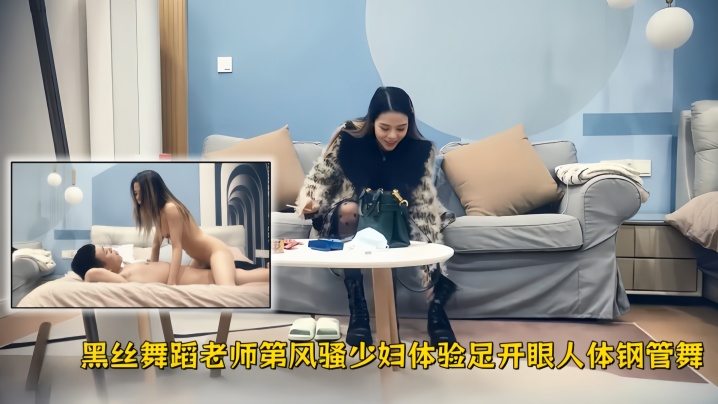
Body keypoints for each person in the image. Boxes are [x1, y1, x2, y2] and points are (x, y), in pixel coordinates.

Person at [294, 86, 457, 347]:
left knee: (425, 229)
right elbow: (320, 177)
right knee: (349, 210)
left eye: (401, 128)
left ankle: (437, 312)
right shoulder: (348, 139)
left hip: (396, 215)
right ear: (372, 121)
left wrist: (431, 272)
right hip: (351, 215)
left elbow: (423, 204)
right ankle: (358, 311)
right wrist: (310, 201)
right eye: (384, 128)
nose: (392, 136)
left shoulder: (421, 150)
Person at [131, 170, 269, 286]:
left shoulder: (171, 208)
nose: (137, 198)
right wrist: (151, 273)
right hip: (199, 259)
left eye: (141, 193)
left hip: (216, 252)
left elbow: (177, 247)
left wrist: (172, 282)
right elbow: (155, 246)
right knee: (229, 277)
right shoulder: (158, 214)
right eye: (135, 193)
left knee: (227, 287)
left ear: (152, 191)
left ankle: (270, 273)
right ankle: (268, 273)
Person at [70, 244, 270, 285]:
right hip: (202, 278)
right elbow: (90, 275)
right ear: (105, 269)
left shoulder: (127, 267)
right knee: (241, 274)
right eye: (106, 252)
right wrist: (89, 271)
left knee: (236, 265)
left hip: (194, 269)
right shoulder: (121, 279)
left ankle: (268, 270)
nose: (111, 249)